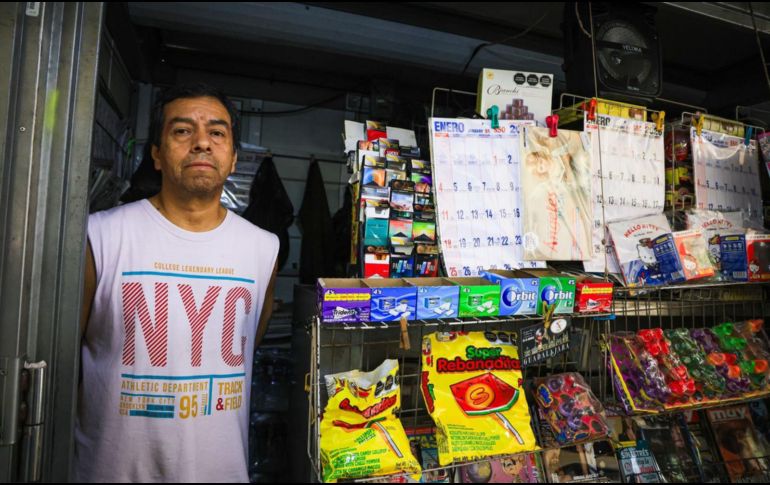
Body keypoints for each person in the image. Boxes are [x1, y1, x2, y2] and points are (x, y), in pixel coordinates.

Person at [74, 84, 279, 482]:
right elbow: (65, 360)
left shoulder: (263, 248)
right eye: (182, 131)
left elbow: (246, 344)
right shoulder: (100, 236)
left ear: (233, 158)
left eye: (217, 133)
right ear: (155, 153)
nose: (202, 142)